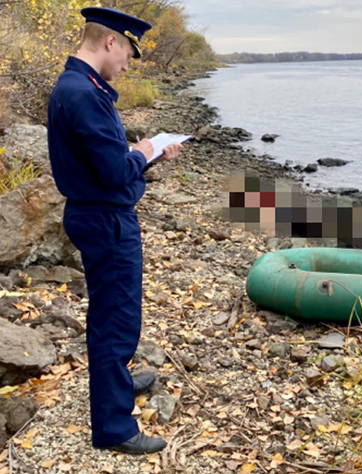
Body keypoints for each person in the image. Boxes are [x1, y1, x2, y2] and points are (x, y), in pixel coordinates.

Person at [47, 7, 183, 454]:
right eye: (128, 51)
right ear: (110, 42)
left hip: (96, 213)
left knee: (114, 313)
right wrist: (143, 151)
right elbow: (111, 171)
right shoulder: (83, 94)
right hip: (105, 220)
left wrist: (146, 157)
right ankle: (114, 427)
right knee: (116, 320)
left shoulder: (80, 88)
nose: (128, 62)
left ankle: (118, 381)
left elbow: (101, 161)